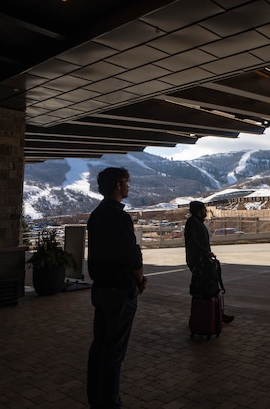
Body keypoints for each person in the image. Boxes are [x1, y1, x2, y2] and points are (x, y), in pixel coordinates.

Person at [86, 167, 147, 408]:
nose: (129, 186)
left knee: (99, 348)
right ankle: (109, 404)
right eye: (126, 182)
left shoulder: (96, 214)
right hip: (120, 291)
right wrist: (140, 278)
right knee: (114, 353)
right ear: (117, 185)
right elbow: (131, 255)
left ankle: (96, 399)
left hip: (100, 289)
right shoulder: (119, 217)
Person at [184, 200, 234, 323]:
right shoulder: (192, 222)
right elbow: (193, 242)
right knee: (205, 287)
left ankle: (214, 314)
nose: (206, 211)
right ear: (198, 211)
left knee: (209, 287)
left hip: (203, 259)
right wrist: (205, 252)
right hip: (198, 261)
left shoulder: (198, 222)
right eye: (203, 209)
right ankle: (205, 317)